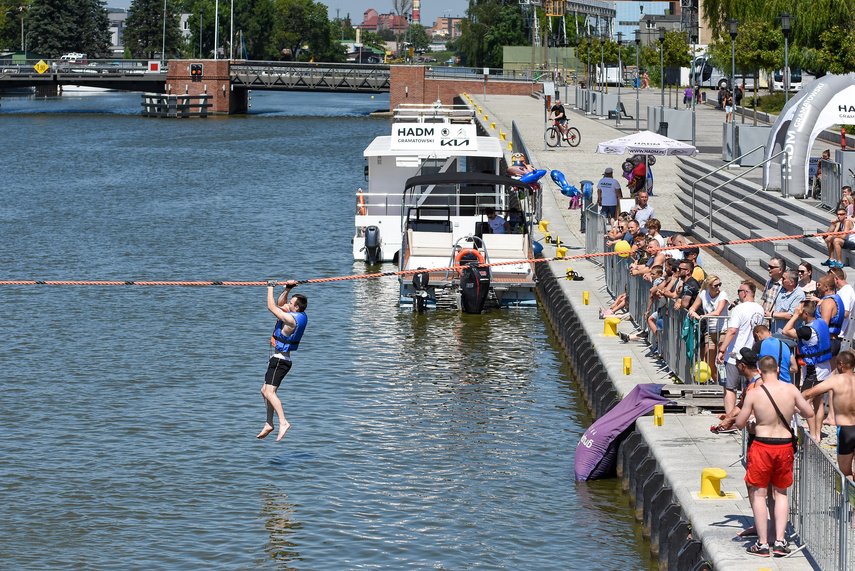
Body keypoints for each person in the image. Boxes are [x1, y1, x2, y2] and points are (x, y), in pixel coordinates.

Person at [735, 355, 814, 557]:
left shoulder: (754, 394)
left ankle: (762, 544)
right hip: (784, 446)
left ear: (759, 371)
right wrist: (792, 408)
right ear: (778, 369)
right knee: (781, 494)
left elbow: (740, 423)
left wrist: (754, 421)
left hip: (762, 445)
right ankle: (780, 541)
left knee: (760, 494)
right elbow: (809, 413)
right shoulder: (791, 390)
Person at [258, 280, 308, 441]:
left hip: (280, 361)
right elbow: (281, 304)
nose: (288, 304)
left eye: (291, 303)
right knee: (264, 391)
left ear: (296, 308)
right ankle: (269, 422)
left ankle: (283, 422)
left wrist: (270, 287)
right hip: (280, 359)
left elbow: (271, 307)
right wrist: (287, 289)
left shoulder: (291, 320)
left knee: (269, 392)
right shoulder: (296, 314)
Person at [783, 300, 832, 441]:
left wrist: (794, 316)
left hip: (814, 370)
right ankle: (817, 435)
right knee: (818, 401)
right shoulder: (821, 322)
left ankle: (813, 435)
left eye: (799, 309)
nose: (796, 310)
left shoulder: (807, 330)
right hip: (825, 367)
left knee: (805, 400)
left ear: (805, 313)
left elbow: (786, 331)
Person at [802, 351, 855, 479]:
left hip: (846, 430)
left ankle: (846, 499)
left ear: (841, 364)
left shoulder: (836, 380)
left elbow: (809, 393)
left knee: (846, 473)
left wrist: (794, 397)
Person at [717, 281, 765, 415]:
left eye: (739, 291)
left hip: (735, 354)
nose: (738, 294)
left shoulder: (740, 309)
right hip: (751, 354)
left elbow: (732, 330)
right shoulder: (760, 309)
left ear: (744, 292)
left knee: (729, 387)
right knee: (750, 387)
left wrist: (722, 350)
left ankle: (730, 417)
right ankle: (749, 416)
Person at [688, 275, 729, 382]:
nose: (718, 287)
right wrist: (692, 312)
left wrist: (701, 317)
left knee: (721, 360)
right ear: (709, 286)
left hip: (723, 330)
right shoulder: (703, 294)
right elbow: (693, 307)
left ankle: (725, 384)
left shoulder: (723, 295)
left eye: (720, 284)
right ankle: (717, 384)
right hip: (710, 331)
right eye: (716, 285)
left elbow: (717, 312)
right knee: (709, 362)